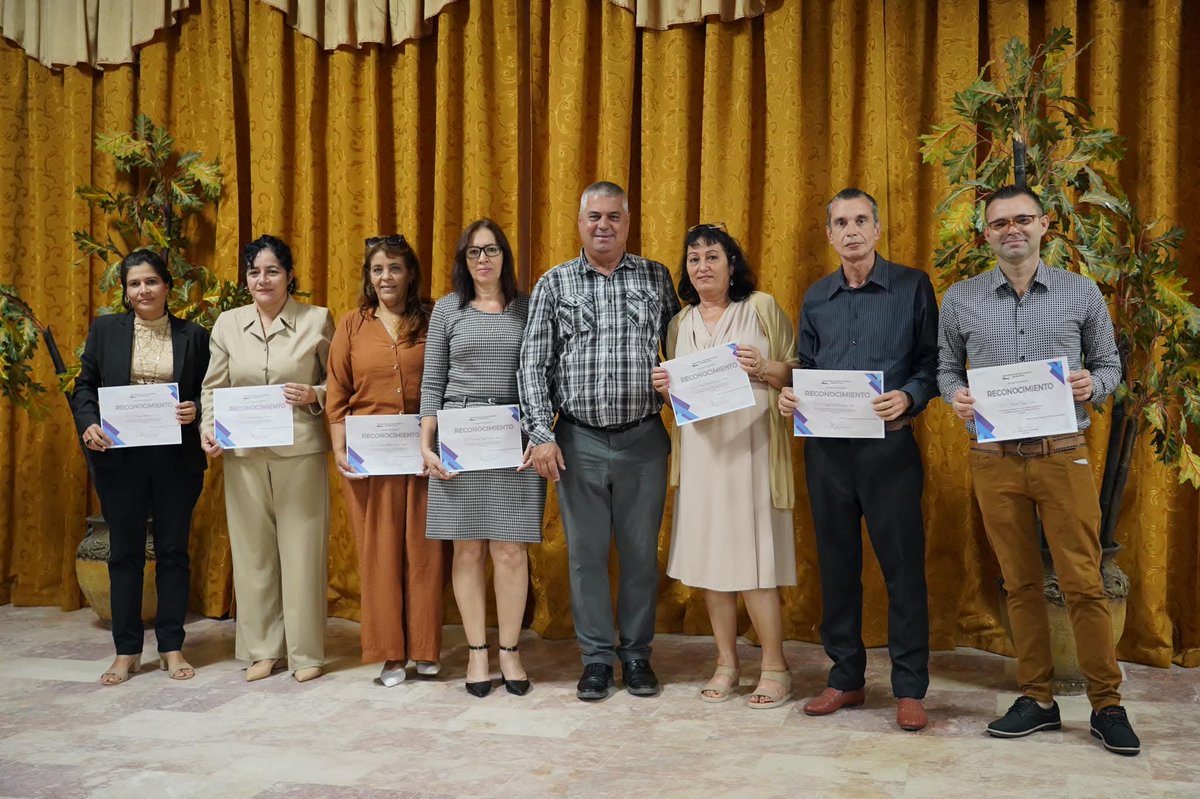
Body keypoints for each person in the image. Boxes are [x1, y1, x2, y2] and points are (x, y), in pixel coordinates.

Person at [937, 184, 1140, 756]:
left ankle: (1107, 704)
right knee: (1019, 581)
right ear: (986, 234)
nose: (1012, 230)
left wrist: (1090, 383)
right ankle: (1038, 700)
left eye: (1022, 219)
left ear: (1045, 224)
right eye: (999, 223)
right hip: (994, 459)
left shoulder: (1081, 293)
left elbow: (1110, 366)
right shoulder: (961, 299)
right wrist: (956, 396)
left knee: (1084, 580)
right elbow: (946, 370)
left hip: (1061, 452)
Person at [778, 188, 938, 731]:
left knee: (902, 571)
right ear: (829, 235)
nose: (851, 230)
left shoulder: (912, 286)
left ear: (877, 229)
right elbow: (809, 368)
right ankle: (845, 678)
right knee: (837, 568)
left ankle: (910, 688)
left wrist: (911, 396)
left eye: (861, 220)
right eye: (841, 222)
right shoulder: (816, 296)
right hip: (826, 452)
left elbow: (932, 364)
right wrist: (790, 395)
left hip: (889, 449)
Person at [518, 180, 680, 702]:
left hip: (643, 439)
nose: (603, 225)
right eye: (594, 217)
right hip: (577, 439)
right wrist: (541, 434)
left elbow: (685, 346)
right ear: (580, 222)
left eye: (613, 217)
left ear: (627, 223)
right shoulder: (555, 283)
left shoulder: (656, 277)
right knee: (585, 555)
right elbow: (532, 364)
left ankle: (636, 656)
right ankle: (594, 660)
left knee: (639, 553)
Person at [652, 224, 798, 708]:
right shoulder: (678, 323)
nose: (702, 266)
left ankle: (776, 666)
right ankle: (726, 663)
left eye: (712, 256)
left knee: (755, 564)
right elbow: (684, 396)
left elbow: (797, 372)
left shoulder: (760, 308)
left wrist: (766, 368)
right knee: (712, 563)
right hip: (702, 457)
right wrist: (666, 389)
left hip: (754, 453)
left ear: (732, 264)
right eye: (693, 259)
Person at [70, 249, 210, 685]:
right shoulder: (106, 330)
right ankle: (126, 650)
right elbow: (84, 386)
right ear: (126, 292)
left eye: (151, 281)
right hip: (120, 459)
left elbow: (212, 389)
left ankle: (171, 646)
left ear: (168, 285)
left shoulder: (194, 335)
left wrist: (196, 409)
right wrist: (89, 424)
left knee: (173, 552)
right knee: (125, 553)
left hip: (175, 458)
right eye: (134, 283)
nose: (143, 290)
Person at [420, 219, 546, 698]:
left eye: (491, 251)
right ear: (463, 261)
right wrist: (425, 443)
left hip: (515, 442)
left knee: (511, 549)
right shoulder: (448, 310)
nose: (483, 260)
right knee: (468, 548)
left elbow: (541, 376)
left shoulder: (529, 308)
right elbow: (433, 382)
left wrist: (538, 432)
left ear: (504, 256)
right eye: (474, 253)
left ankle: (510, 651)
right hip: (459, 441)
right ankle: (477, 653)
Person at [200, 234, 334, 683]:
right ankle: (262, 650)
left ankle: (306, 653)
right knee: (253, 551)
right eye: (254, 271)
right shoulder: (227, 324)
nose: (263, 279)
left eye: (272, 270)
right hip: (242, 453)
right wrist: (208, 430)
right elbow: (213, 387)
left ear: (290, 275)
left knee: (302, 550)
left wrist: (314, 392)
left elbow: (343, 386)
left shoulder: (317, 320)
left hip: (301, 450)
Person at [327, 234, 446, 687]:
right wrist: (339, 448)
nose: (386, 277)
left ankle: (425, 649)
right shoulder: (352, 325)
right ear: (368, 276)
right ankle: (391, 655)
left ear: (410, 273)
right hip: (369, 462)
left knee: (425, 554)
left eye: (394, 268)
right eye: (377, 269)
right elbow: (337, 394)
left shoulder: (434, 319)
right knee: (379, 555)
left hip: (422, 456)